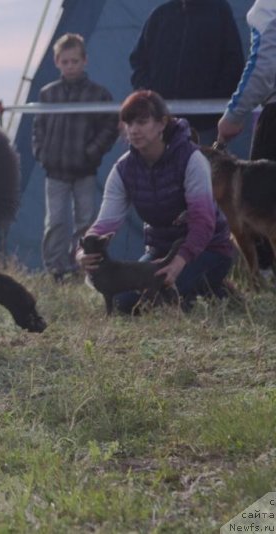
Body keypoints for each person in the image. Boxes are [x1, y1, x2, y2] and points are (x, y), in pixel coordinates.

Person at [77, 90, 235, 313]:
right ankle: (201, 287)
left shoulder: (192, 160)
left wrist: (179, 263)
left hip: (210, 249)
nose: (133, 129)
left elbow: (203, 223)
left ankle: (218, 289)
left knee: (168, 294)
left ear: (162, 123)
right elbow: (105, 224)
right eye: (128, 122)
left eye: (142, 122)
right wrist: (82, 253)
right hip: (159, 252)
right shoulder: (123, 169)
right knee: (123, 302)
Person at [32, 33, 118, 282]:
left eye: (75, 61)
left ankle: (84, 269)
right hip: (55, 172)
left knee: (86, 221)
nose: (70, 66)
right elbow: (38, 128)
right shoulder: (48, 94)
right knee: (56, 222)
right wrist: (43, 155)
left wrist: (91, 153)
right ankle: (55, 270)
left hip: (85, 171)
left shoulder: (98, 94)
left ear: (85, 61)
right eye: (65, 61)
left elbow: (110, 126)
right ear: (57, 62)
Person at [129, 0, 244, 144]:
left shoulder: (220, 13)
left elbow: (234, 63)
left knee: (203, 165)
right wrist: (149, 93)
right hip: (161, 124)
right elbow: (138, 60)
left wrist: (214, 99)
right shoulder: (160, 15)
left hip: (205, 125)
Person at [217, 0, 276, 274]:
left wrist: (234, 114)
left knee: (261, 200)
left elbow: (263, 66)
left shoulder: (267, 8)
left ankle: (265, 273)